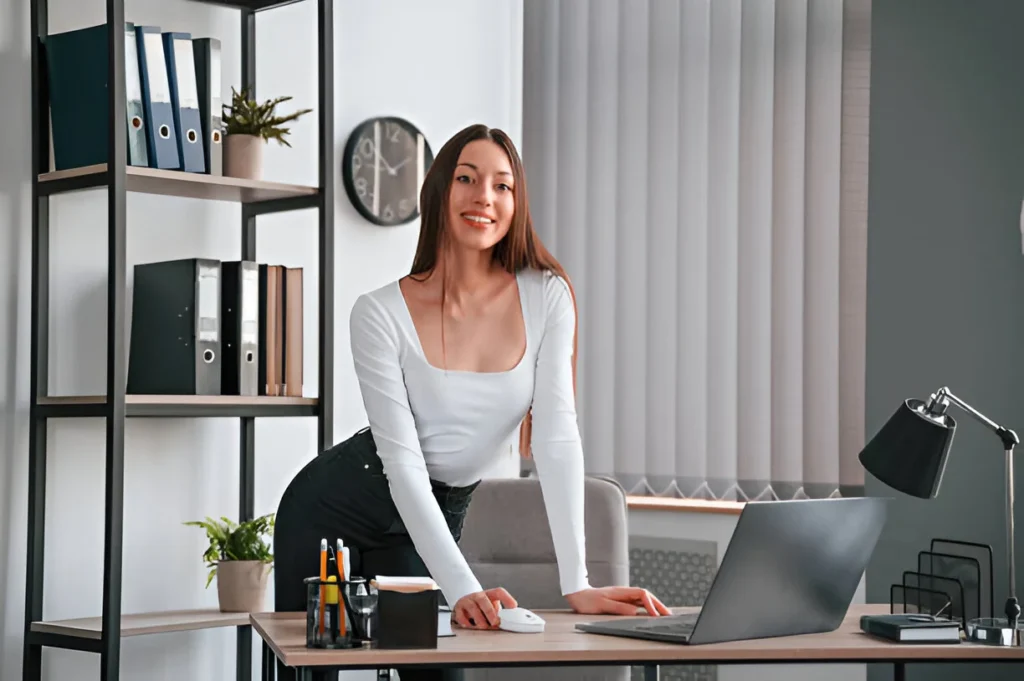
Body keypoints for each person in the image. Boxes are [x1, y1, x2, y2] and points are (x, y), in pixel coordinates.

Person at [273, 123, 669, 681]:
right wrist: (464, 587)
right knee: (311, 672)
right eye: (467, 178)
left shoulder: (546, 295)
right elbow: (403, 464)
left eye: (503, 185)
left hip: (430, 519)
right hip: (331, 512)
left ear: (516, 202)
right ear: (439, 190)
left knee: (440, 674)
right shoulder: (378, 313)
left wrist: (576, 582)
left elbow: (556, 439)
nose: (485, 195)